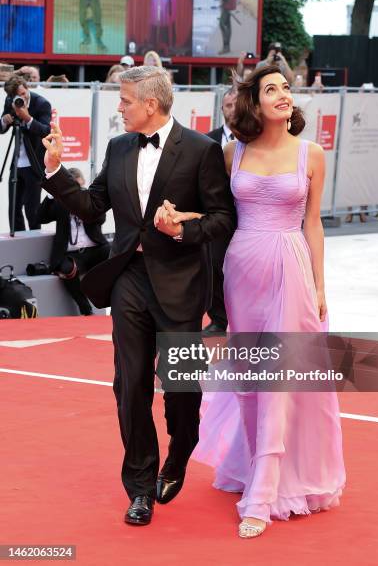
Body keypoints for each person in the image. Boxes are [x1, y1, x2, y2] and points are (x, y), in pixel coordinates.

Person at [41, 66, 236, 526]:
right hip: (129, 276)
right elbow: (92, 205)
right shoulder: (119, 146)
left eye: (125, 100)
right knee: (129, 385)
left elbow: (223, 219)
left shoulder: (201, 150)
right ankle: (141, 487)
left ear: (151, 103)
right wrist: (54, 170)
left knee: (182, 390)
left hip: (182, 282)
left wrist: (184, 228)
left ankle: (181, 451)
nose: (119, 107)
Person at [185, 65, 345, 538]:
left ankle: (263, 493)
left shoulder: (311, 154)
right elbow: (217, 214)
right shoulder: (232, 152)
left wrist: (320, 285)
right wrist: (180, 218)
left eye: (286, 88)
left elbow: (312, 223)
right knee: (249, 375)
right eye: (271, 89)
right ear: (254, 103)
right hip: (242, 269)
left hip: (291, 268)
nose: (283, 95)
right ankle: (257, 466)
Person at [38, 168, 110, 316]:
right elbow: (40, 218)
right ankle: (85, 308)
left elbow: (101, 219)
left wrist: (83, 207)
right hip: (72, 253)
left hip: (95, 248)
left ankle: (113, 303)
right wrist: (51, 196)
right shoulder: (60, 201)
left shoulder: (88, 198)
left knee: (116, 256)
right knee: (66, 269)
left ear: (82, 182)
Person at [203, 89, 237, 334]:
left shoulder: (257, 140)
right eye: (228, 105)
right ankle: (218, 319)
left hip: (249, 216)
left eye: (237, 104)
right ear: (222, 109)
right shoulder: (209, 140)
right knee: (213, 265)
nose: (232, 109)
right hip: (217, 215)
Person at [0, 75, 51, 231]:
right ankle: (19, 244)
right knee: (14, 209)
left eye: (24, 93)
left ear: (27, 88)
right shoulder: (10, 102)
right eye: (18, 96)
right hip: (16, 162)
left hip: (34, 162)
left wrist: (27, 118)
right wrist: (4, 120)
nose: (22, 97)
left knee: (32, 209)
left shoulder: (41, 103)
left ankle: (35, 246)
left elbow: (45, 131)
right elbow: (1, 128)